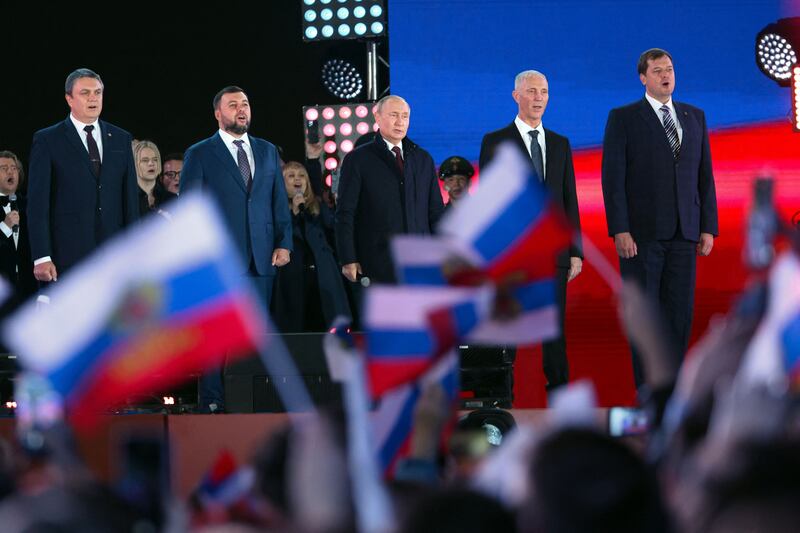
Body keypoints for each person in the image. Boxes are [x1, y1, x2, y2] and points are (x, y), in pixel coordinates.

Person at [601, 48, 718, 387]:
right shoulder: (624, 118)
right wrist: (620, 229)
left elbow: (704, 176)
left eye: (669, 69)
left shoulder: (694, 116)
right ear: (643, 78)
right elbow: (613, 179)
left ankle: (675, 392)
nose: (665, 75)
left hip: (685, 234)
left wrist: (708, 227)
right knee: (646, 319)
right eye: (657, 71)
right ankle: (648, 391)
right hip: (641, 237)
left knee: (679, 317)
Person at [182, 85, 292, 411]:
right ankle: (213, 403)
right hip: (219, 262)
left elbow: (278, 202)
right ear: (218, 113)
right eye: (233, 105)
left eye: (245, 103)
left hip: (262, 261)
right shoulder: (200, 153)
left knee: (252, 337)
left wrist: (283, 243)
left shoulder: (268, 150)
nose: (241, 109)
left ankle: (248, 401)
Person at [479, 70, 583, 394]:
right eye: (532, 91)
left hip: (554, 254)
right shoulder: (495, 141)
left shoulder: (560, 144)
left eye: (544, 92)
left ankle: (559, 395)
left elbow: (569, 199)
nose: (539, 98)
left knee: (554, 330)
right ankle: (501, 398)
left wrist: (576, 250)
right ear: (516, 96)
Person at [27, 68, 140, 282]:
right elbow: (38, 204)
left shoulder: (120, 138)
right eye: (85, 93)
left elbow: (130, 200)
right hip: (67, 257)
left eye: (98, 92)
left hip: (114, 256)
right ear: (69, 98)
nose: (93, 98)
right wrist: (41, 255)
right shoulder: (48, 140)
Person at [335, 95, 444, 285]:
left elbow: (435, 212)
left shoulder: (422, 159)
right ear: (377, 117)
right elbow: (345, 212)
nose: (400, 122)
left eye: (405, 116)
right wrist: (348, 258)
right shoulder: (359, 159)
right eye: (394, 115)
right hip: (378, 261)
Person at [271, 162, 350, 333]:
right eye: (291, 176)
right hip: (292, 278)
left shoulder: (318, 208)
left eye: (301, 176)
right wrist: (293, 214)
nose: (297, 179)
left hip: (322, 276)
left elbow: (333, 231)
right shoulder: (275, 211)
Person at [0, 151, 36, 311]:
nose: (10, 172)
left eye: (14, 168)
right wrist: (4, 227)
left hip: (30, 289)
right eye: (4, 168)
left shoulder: (32, 206)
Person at [133, 140, 175, 217]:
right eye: (145, 160)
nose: (151, 163)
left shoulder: (172, 199)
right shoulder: (127, 200)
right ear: (134, 164)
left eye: (155, 159)